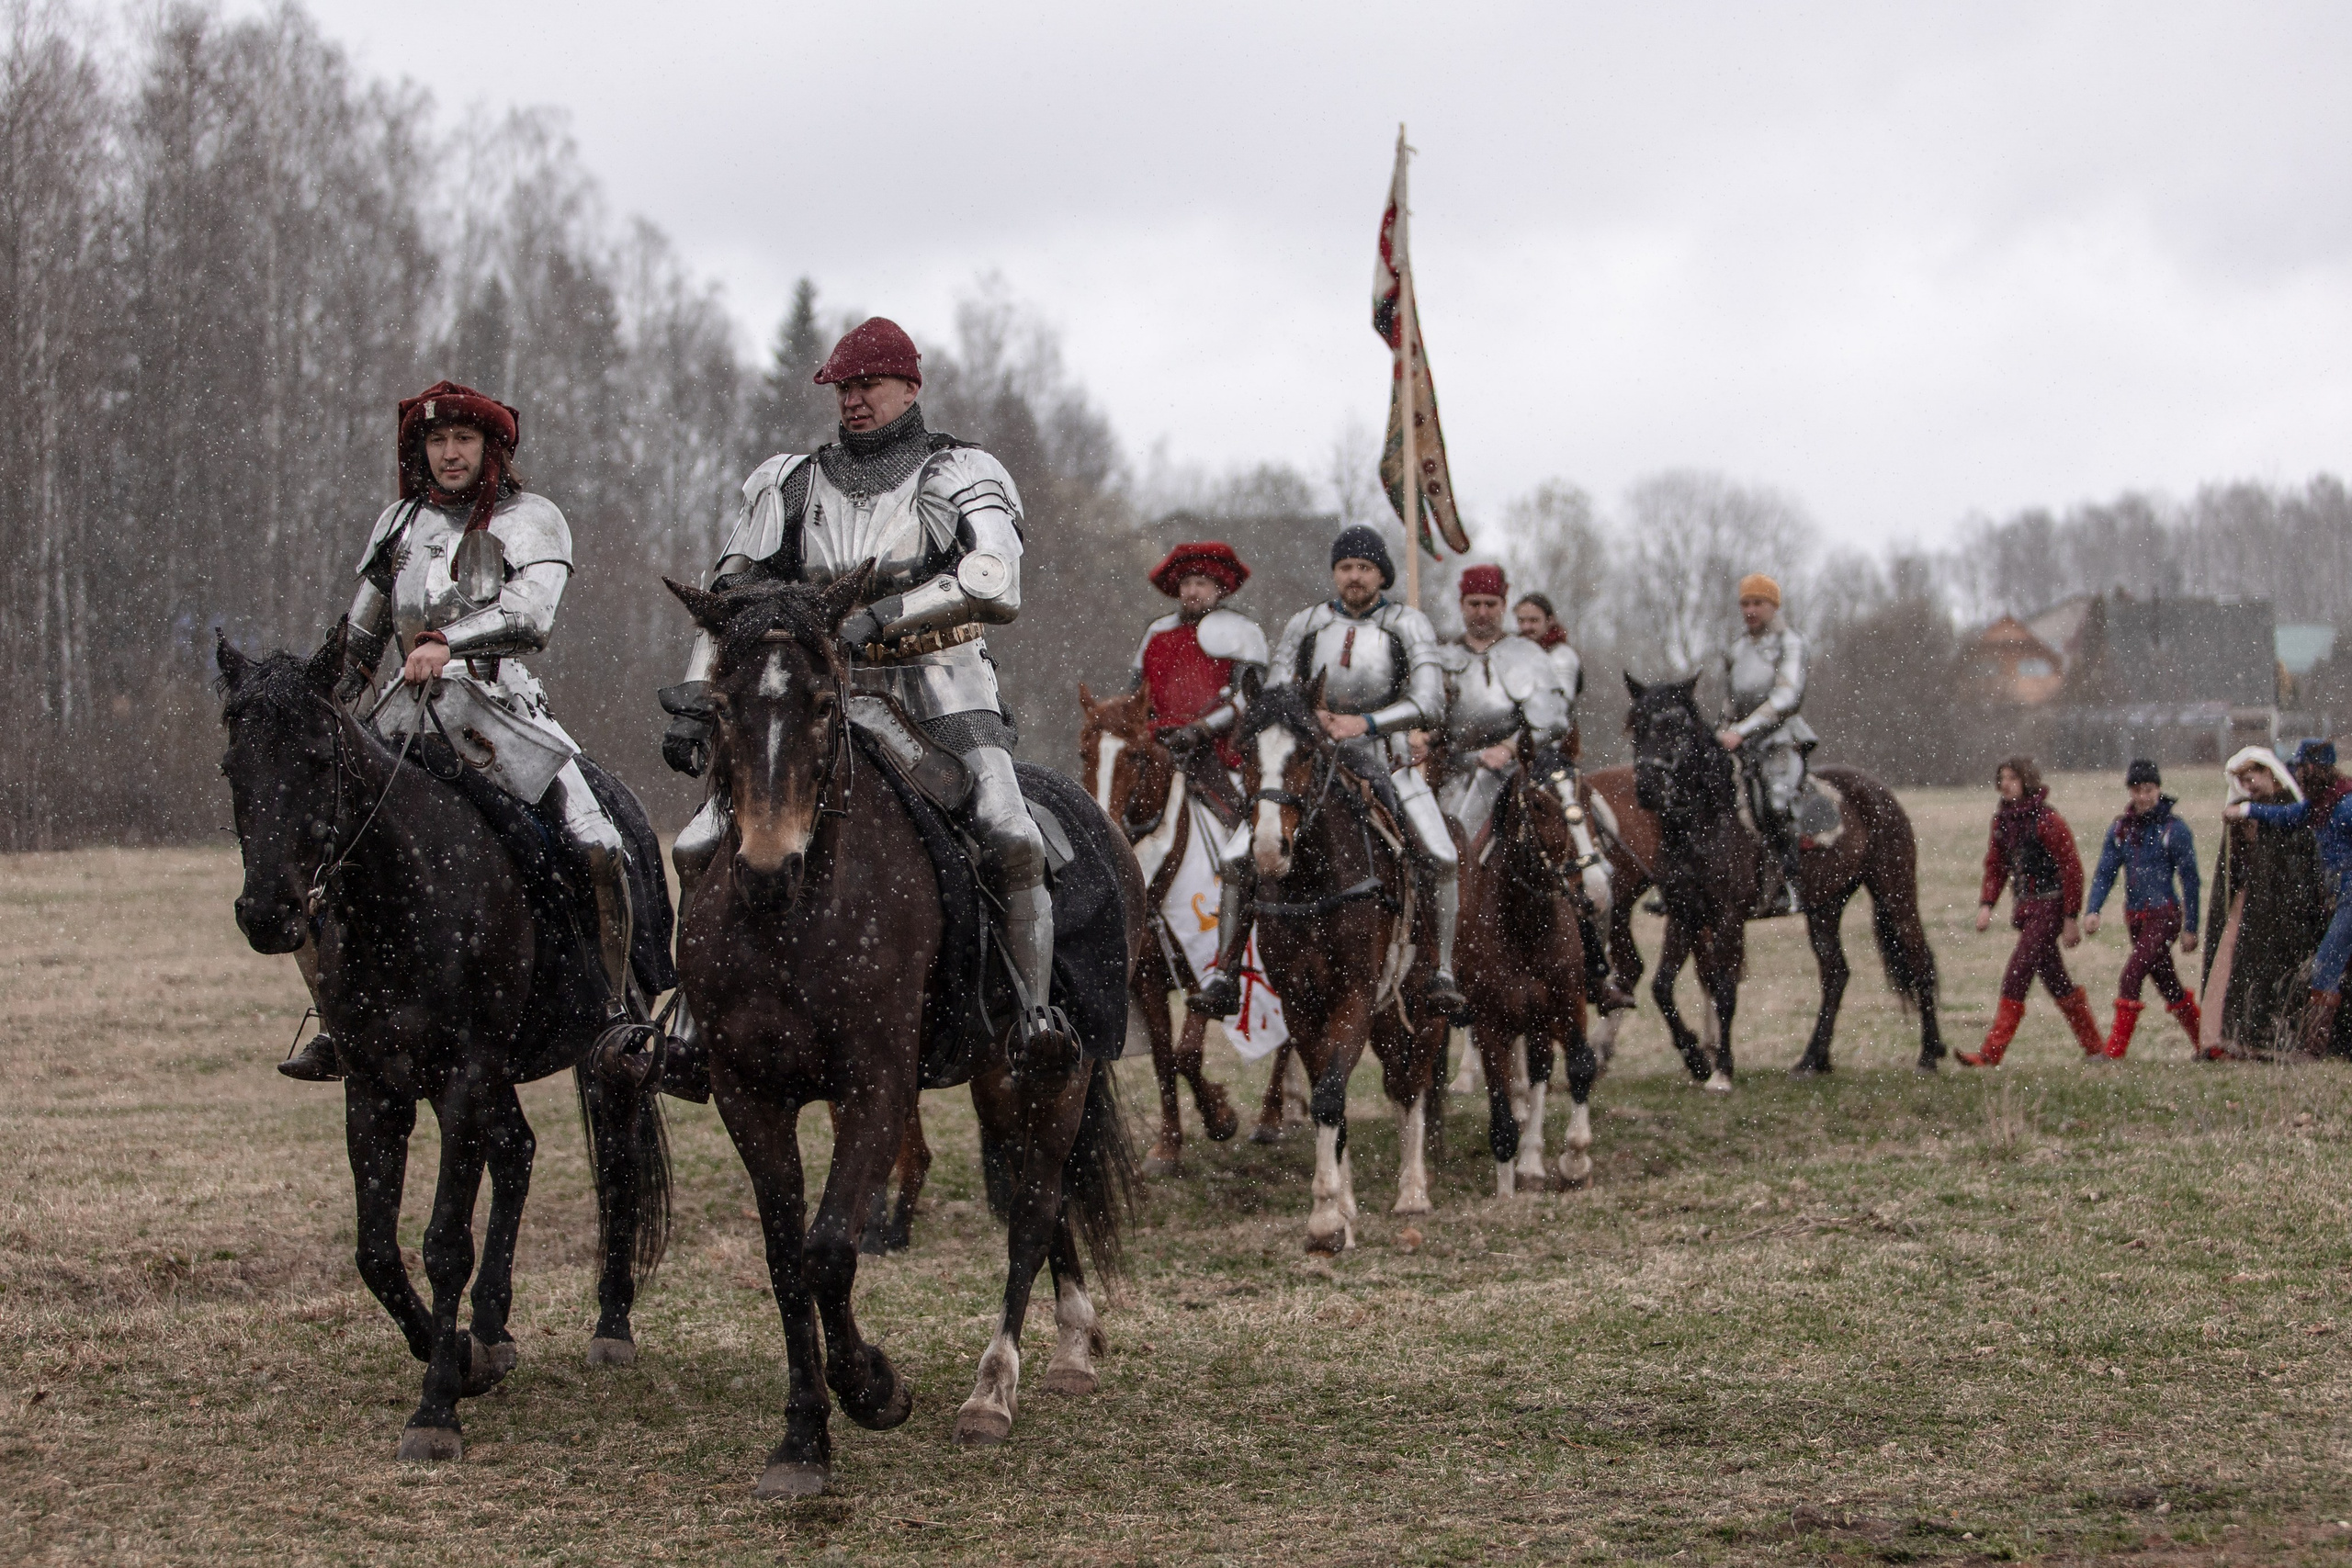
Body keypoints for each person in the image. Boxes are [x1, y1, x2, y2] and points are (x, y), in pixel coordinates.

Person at [660, 317, 1069, 1069]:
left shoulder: (961, 470)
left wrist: (887, 614)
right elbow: (729, 598)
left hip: (943, 687)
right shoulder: (790, 480)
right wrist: (696, 697)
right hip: (816, 691)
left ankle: (1033, 1018)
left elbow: (996, 580)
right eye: (843, 388)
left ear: (910, 387)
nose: (852, 400)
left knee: (1011, 836)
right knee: (695, 844)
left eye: (868, 385)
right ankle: (690, 1019)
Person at [287, 380, 636, 1081]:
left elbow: (532, 617)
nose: (449, 453)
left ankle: (613, 1012)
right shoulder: (399, 525)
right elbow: (361, 641)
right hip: (401, 716)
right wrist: (312, 703)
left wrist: (447, 641)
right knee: (313, 855)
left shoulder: (532, 518)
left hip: (504, 714)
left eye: (463, 439)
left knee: (599, 845)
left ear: (490, 447)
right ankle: (337, 1021)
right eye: (437, 440)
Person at [1194, 525, 1465, 1021]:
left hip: (1387, 760)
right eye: (1345, 568)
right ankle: (1224, 973)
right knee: (1236, 859)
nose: (1354, 576)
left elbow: (1429, 702)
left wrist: (1365, 722)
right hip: (1311, 760)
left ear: (1382, 574)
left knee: (1441, 856)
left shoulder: (1408, 624)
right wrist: (1307, 720)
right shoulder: (1306, 624)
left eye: (1364, 568)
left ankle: (1441, 969)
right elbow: (1276, 694)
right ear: (1335, 573)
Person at [1961, 756, 2102, 1066]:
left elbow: (2071, 869)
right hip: (2026, 910)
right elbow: (1996, 866)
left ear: (2026, 781)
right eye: (2002, 778)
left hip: (2050, 907)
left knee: (2018, 973)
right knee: (2056, 979)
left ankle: (1991, 1053)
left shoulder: (2048, 820)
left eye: (2012, 778)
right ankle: (2095, 1047)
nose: (2006, 784)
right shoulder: (2002, 822)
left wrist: (2070, 917)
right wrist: (1987, 904)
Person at [2226, 738, 2352, 1056]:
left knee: (2326, 966)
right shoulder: (2319, 806)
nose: (2299, 774)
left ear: (2319, 769)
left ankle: (2313, 1049)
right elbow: (2288, 815)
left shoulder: (2345, 805)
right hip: (2340, 896)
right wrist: (2247, 809)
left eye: (2304, 768)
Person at [2203, 747, 2329, 1058]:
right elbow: (2237, 862)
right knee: (2238, 968)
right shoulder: (2246, 810)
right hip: (2251, 906)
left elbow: (2298, 862)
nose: (2249, 786)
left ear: (2269, 773)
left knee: (2277, 974)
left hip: (2284, 910)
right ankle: (2234, 1037)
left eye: (2252, 778)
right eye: (2243, 781)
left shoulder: (2289, 808)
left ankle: (2274, 1039)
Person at [1712, 573, 1815, 917]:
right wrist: (1722, 730)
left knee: (1776, 804)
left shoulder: (1790, 642)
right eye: (1745, 603)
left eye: (1758, 603)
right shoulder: (1737, 649)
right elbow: (1730, 700)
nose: (1750, 610)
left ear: (1773, 605)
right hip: (1739, 742)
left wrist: (1743, 730)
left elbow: (1786, 697)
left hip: (1781, 740)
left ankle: (1790, 882)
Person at [2083, 760, 2201, 1058]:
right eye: (2137, 790)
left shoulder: (2174, 829)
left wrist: (2190, 927)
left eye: (2149, 789)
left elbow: (2190, 880)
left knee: (2131, 975)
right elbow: (2105, 872)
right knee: (2168, 985)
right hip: (2135, 918)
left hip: (2164, 915)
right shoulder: (2121, 830)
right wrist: (2093, 908)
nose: (2143, 796)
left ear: (2158, 789)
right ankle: (2207, 1042)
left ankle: (2115, 1051)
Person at [1130, 541, 1268, 773]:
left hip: (1218, 751)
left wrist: (1201, 728)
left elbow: (1249, 698)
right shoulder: (1157, 632)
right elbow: (1135, 697)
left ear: (1219, 588)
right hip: (1156, 748)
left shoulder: (1243, 632)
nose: (1192, 592)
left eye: (1201, 584)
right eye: (1186, 584)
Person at [1513, 592, 1583, 717]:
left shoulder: (1562, 656)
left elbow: (1560, 708)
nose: (1526, 627)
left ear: (1550, 620)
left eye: (1534, 620)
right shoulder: (1514, 652)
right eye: (1521, 621)